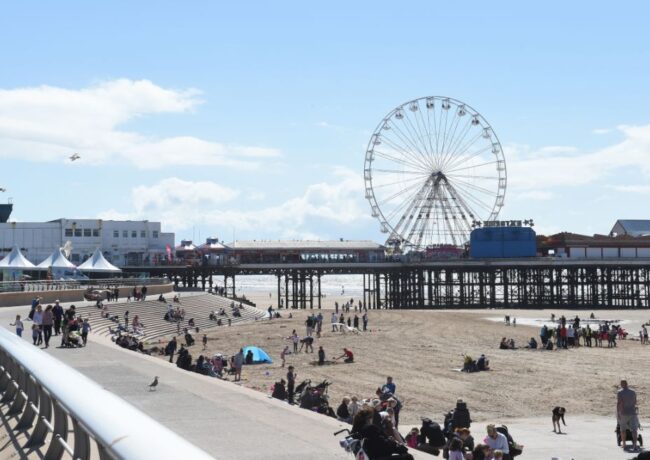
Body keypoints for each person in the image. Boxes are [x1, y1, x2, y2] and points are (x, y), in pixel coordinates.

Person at [617, 379, 639, 451]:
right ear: (627, 384)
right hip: (632, 412)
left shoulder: (620, 392)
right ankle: (635, 444)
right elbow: (635, 402)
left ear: (622, 384)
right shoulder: (633, 392)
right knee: (634, 429)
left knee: (622, 429)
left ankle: (624, 444)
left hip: (623, 413)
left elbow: (619, 403)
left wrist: (618, 412)